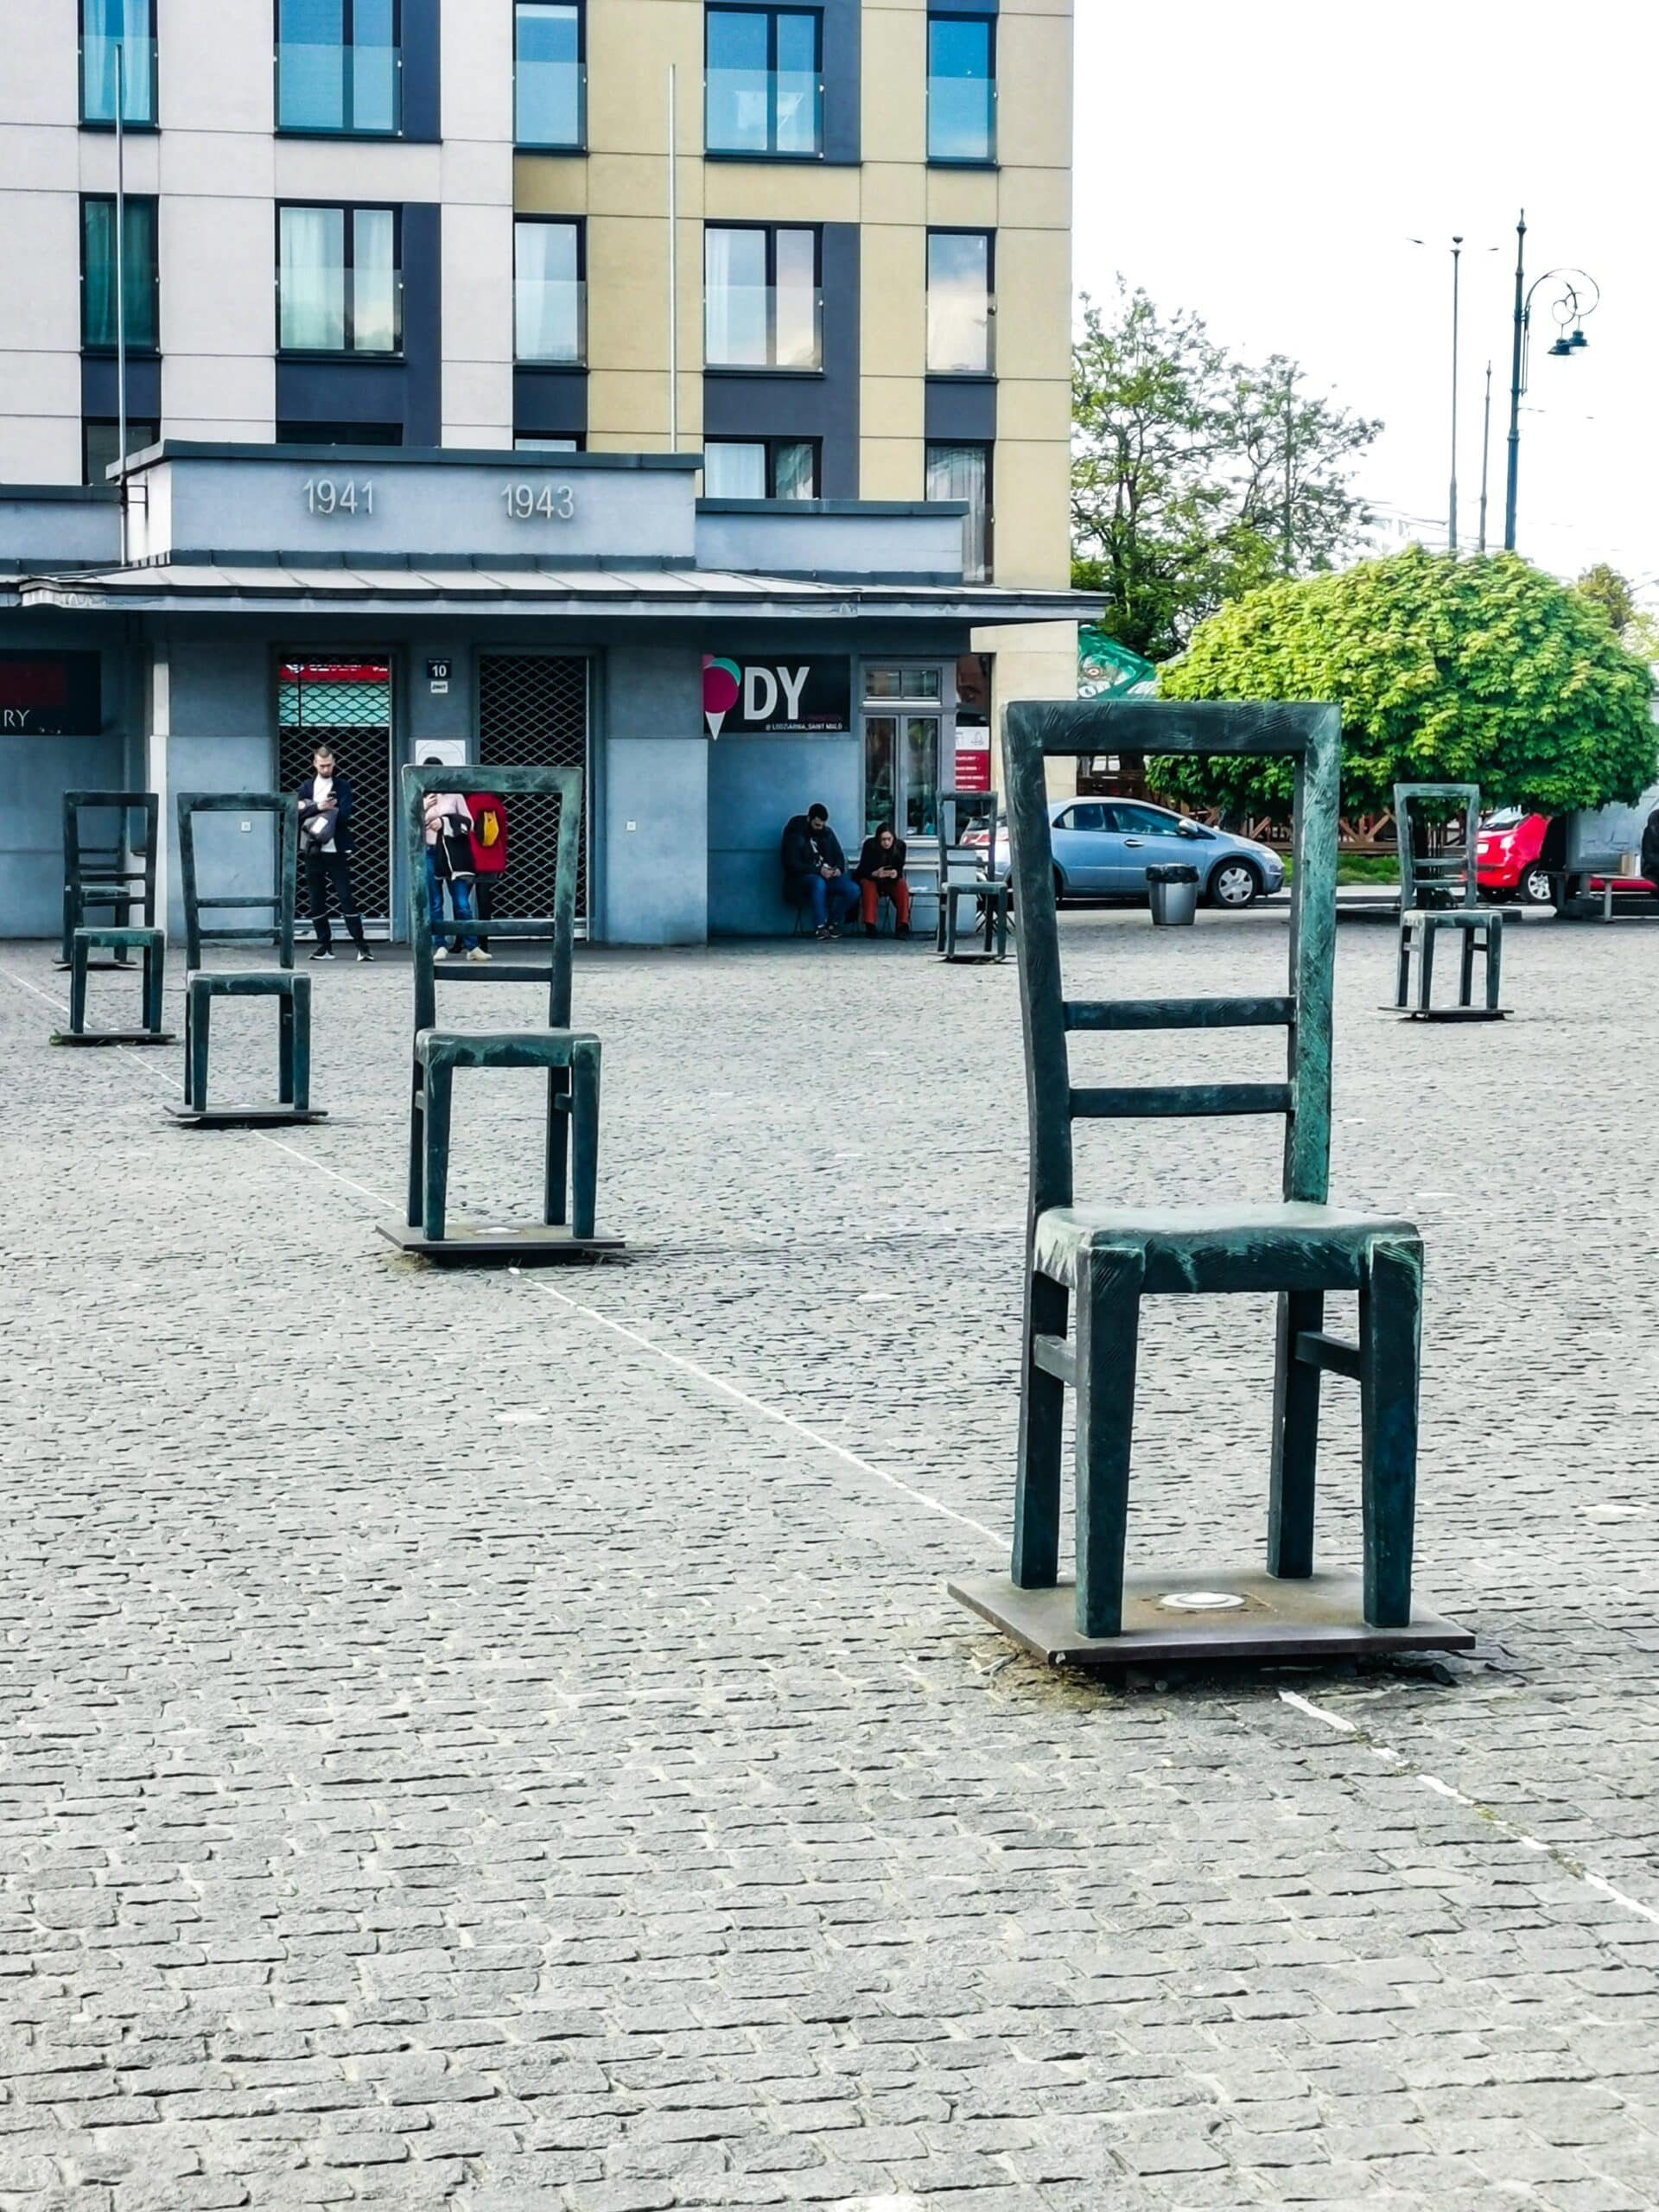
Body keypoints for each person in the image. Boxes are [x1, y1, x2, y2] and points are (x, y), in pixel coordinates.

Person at [296, 746, 372, 961]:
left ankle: (361, 946)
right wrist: (320, 808)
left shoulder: (342, 786)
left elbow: (345, 815)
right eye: (322, 765)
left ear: (334, 763)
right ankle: (324, 946)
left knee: (346, 896)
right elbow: (296, 811)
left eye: (329, 765)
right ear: (314, 764)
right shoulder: (307, 787)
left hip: (336, 849)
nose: (326, 769)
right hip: (313, 850)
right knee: (316, 899)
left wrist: (313, 809)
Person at [421, 762, 486, 961]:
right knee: (435, 902)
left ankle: (472, 946)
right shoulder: (420, 796)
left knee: (461, 901)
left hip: (452, 855)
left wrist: (445, 822)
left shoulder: (454, 795)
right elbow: (411, 825)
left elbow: (469, 823)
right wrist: (423, 808)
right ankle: (440, 945)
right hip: (430, 852)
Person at [781, 803, 860, 939]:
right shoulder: (794, 833)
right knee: (818, 882)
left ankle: (833, 923)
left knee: (854, 889)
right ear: (809, 819)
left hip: (826, 875)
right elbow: (792, 864)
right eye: (816, 825)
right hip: (801, 879)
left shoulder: (827, 833)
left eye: (822, 825)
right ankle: (820, 927)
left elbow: (839, 855)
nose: (819, 828)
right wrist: (818, 871)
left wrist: (838, 869)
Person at [467, 788, 507, 952]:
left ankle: (462, 939)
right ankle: (484, 941)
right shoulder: (497, 804)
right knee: (484, 901)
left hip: (470, 858)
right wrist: (503, 861)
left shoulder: (469, 802)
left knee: (462, 900)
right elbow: (503, 834)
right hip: (491, 859)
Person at [855, 823, 911, 937]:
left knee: (901, 885)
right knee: (868, 885)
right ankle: (870, 926)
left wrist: (894, 873)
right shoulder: (870, 845)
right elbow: (862, 870)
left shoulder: (900, 846)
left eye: (889, 839)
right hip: (872, 878)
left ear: (893, 838)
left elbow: (899, 868)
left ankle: (902, 925)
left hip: (890, 881)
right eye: (883, 840)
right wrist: (875, 873)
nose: (886, 843)